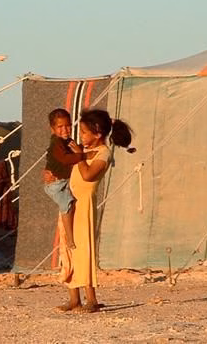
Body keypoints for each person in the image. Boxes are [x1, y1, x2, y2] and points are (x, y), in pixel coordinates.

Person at [57, 108, 134, 314]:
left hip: (84, 205)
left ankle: (91, 298)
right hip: (69, 203)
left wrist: (79, 156)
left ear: (98, 133)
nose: (81, 136)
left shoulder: (103, 153)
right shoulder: (84, 149)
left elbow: (89, 175)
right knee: (68, 247)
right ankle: (74, 297)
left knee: (84, 249)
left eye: (84, 132)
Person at [43, 108, 85, 250]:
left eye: (68, 126)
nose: (65, 130)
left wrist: (82, 149)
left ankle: (72, 235)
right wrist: (83, 156)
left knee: (72, 205)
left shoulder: (66, 142)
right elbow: (66, 159)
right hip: (55, 184)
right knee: (67, 205)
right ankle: (70, 239)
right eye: (60, 127)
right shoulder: (56, 143)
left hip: (62, 181)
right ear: (52, 129)